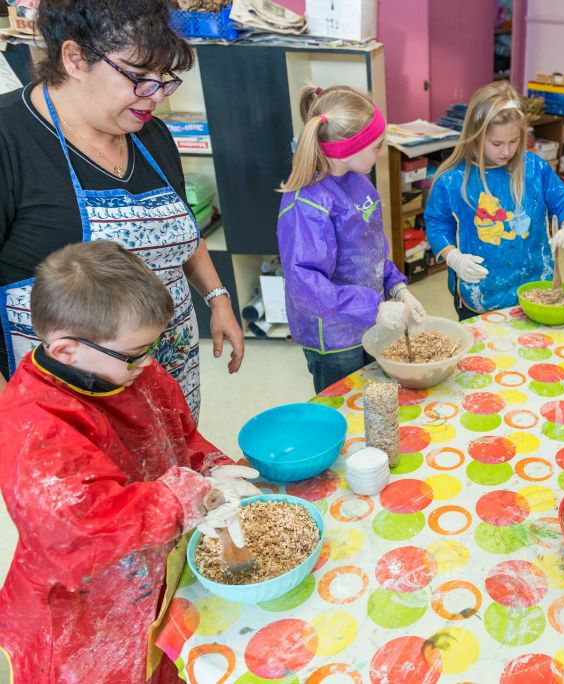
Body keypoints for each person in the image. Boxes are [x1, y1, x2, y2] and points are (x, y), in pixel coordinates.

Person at [0, 241, 260, 683]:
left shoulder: (126, 367)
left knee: (163, 656)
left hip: (154, 562)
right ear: (65, 351)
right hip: (88, 607)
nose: (150, 361)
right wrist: (180, 498)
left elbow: (178, 435)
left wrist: (209, 466)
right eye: (137, 351)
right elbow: (83, 525)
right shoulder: (33, 429)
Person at [0, 0, 245, 412]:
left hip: (168, 379)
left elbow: (182, 232)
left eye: (163, 78)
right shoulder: (10, 140)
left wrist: (218, 299)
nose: (155, 95)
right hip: (67, 408)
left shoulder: (151, 135)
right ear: (75, 58)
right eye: (138, 76)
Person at [277, 85, 426, 394]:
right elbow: (306, 286)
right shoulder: (308, 205)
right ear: (346, 151)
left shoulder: (357, 180)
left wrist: (395, 286)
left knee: (374, 398)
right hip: (334, 339)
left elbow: (370, 249)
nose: (382, 153)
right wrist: (375, 308)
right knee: (345, 405)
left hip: (368, 322)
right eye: (377, 146)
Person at [425, 81, 564, 320]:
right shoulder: (452, 180)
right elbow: (437, 224)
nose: (506, 151)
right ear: (475, 136)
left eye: (514, 141)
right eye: (496, 144)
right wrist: (453, 257)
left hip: (534, 284)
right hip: (480, 290)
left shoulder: (534, 167)